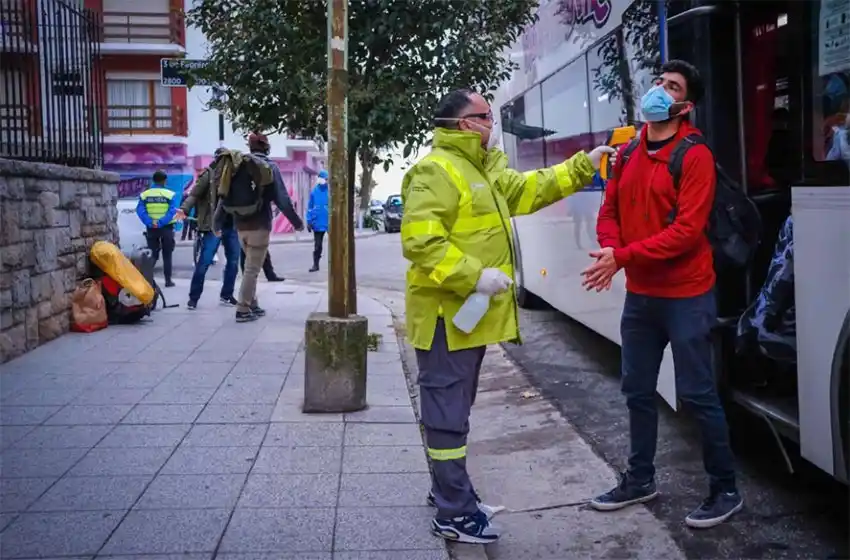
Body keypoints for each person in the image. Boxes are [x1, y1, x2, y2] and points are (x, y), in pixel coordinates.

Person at [401, 88, 614, 544]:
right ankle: (453, 513)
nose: (493, 124)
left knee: (454, 412)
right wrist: (475, 276)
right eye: (485, 116)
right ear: (465, 125)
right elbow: (421, 243)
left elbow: (530, 190)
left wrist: (584, 163)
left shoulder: (483, 169)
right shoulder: (435, 171)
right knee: (447, 417)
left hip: (466, 320)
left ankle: (451, 494)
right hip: (445, 318)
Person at [581, 60, 743, 529]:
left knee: (697, 394)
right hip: (642, 298)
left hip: (687, 295)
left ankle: (725, 488)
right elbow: (608, 208)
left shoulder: (694, 156)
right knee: (636, 389)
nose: (658, 90)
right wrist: (613, 249)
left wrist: (623, 256)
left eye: (670, 86)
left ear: (685, 104)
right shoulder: (629, 151)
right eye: (658, 81)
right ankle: (640, 479)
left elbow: (687, 233)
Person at [213, 132, 303, 322]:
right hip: (260, 225)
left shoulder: (237, 166)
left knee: (248, 267)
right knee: (251, 270)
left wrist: (216, 221)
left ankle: (253, 304)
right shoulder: (269, 167)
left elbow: (223, 196)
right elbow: (282, 200)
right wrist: (297, 222)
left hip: (240, 225)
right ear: (266, 147)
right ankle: (243, 309)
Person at [175, 147, 241, 310]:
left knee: (233, 261)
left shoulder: (235, 176)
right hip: (214, 225)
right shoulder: (209, 175)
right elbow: (194, 194)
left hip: (231, 225)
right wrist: (184, 209)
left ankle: (226, 294)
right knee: (204, 262)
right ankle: (194, 298)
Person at [136, 170, 178, 288]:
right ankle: (168, 281)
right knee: (167, 254)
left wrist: (150, 222)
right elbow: (172, 212)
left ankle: (147, 280)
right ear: (165, 180)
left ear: (153, 180)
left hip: (151, 228)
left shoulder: (145, 195)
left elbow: (140, 211)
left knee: (152, 254)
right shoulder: (170, 194)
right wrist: (160, 222)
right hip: (166, 228)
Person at [306, 169, 329, 272]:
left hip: (329, 222)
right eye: (325, 179)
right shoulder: (314, 192)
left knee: (335, 245)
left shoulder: (331, 191)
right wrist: (309, 221)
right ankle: (316, 264)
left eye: (327, 179)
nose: (326, 181)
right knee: (318, 246)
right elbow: (310, 207)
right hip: (318, 222)